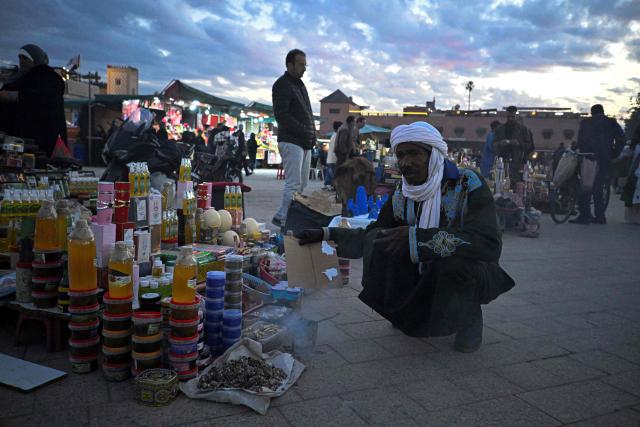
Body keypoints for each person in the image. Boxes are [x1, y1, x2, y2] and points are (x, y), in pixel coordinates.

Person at [297, 122, 515, 352]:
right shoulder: (402, 192)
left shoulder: (468, 183)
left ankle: (468, 320)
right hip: (422, 266)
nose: (405, 162)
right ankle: (408, 311)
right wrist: (325, 234)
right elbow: (375, 233)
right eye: (400, 155)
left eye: (414, 153)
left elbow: (487, 244)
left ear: (433, 155)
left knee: (451, 262)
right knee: (382, 243)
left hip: (471, 266)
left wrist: (417, 239)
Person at [271, 49, 316, 227]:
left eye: (305, 65)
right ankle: (284, 219)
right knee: (293, 183)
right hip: (291, 140)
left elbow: (308, 113)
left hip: (304, 142)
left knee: (302, 184)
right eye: (301, 64)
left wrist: (312, 133)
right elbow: (282, 115)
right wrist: (305, 130)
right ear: (290, 64)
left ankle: (283, 215)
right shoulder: (281, 85)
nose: (304, 68)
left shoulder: (300, 85)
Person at [0, 44, 67, 156]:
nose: (21, 61)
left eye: (25, 58)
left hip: (41, 140)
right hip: (15, 141)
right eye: (20, 58)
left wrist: (14, 96)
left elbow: (44, 97)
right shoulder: (17, 77)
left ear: (35, 59)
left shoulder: (47, 77)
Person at [570, 104, 626, 224]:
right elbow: (622, 139)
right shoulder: (611, 122)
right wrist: (613, 153)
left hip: (588, 158)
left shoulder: (586, 122)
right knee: (599, 188)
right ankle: (600, 216)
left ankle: (585, 216)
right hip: (605, 160)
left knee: (585, 187)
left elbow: (580, 141)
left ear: (592, 112)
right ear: (603, 111)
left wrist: (580, 152)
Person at [493, 106, 535, 182]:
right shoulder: (499, 129)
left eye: (512, 117)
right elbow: (493, 145)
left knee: (516, 186)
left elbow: (530, 146)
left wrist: (518, 144)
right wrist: (500, 143)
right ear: (506, 116)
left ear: (516, 116)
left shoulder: (523, 130)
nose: (510, 119)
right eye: (509, 117)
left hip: (518, 164)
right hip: (502, 164)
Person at [323, 121, 341, 189]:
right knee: (331, 173)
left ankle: (328, 185)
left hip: (331, 159)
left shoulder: (334, 135)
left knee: (331, 172)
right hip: (333, 159)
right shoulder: (336, 136)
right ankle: (328, 185)